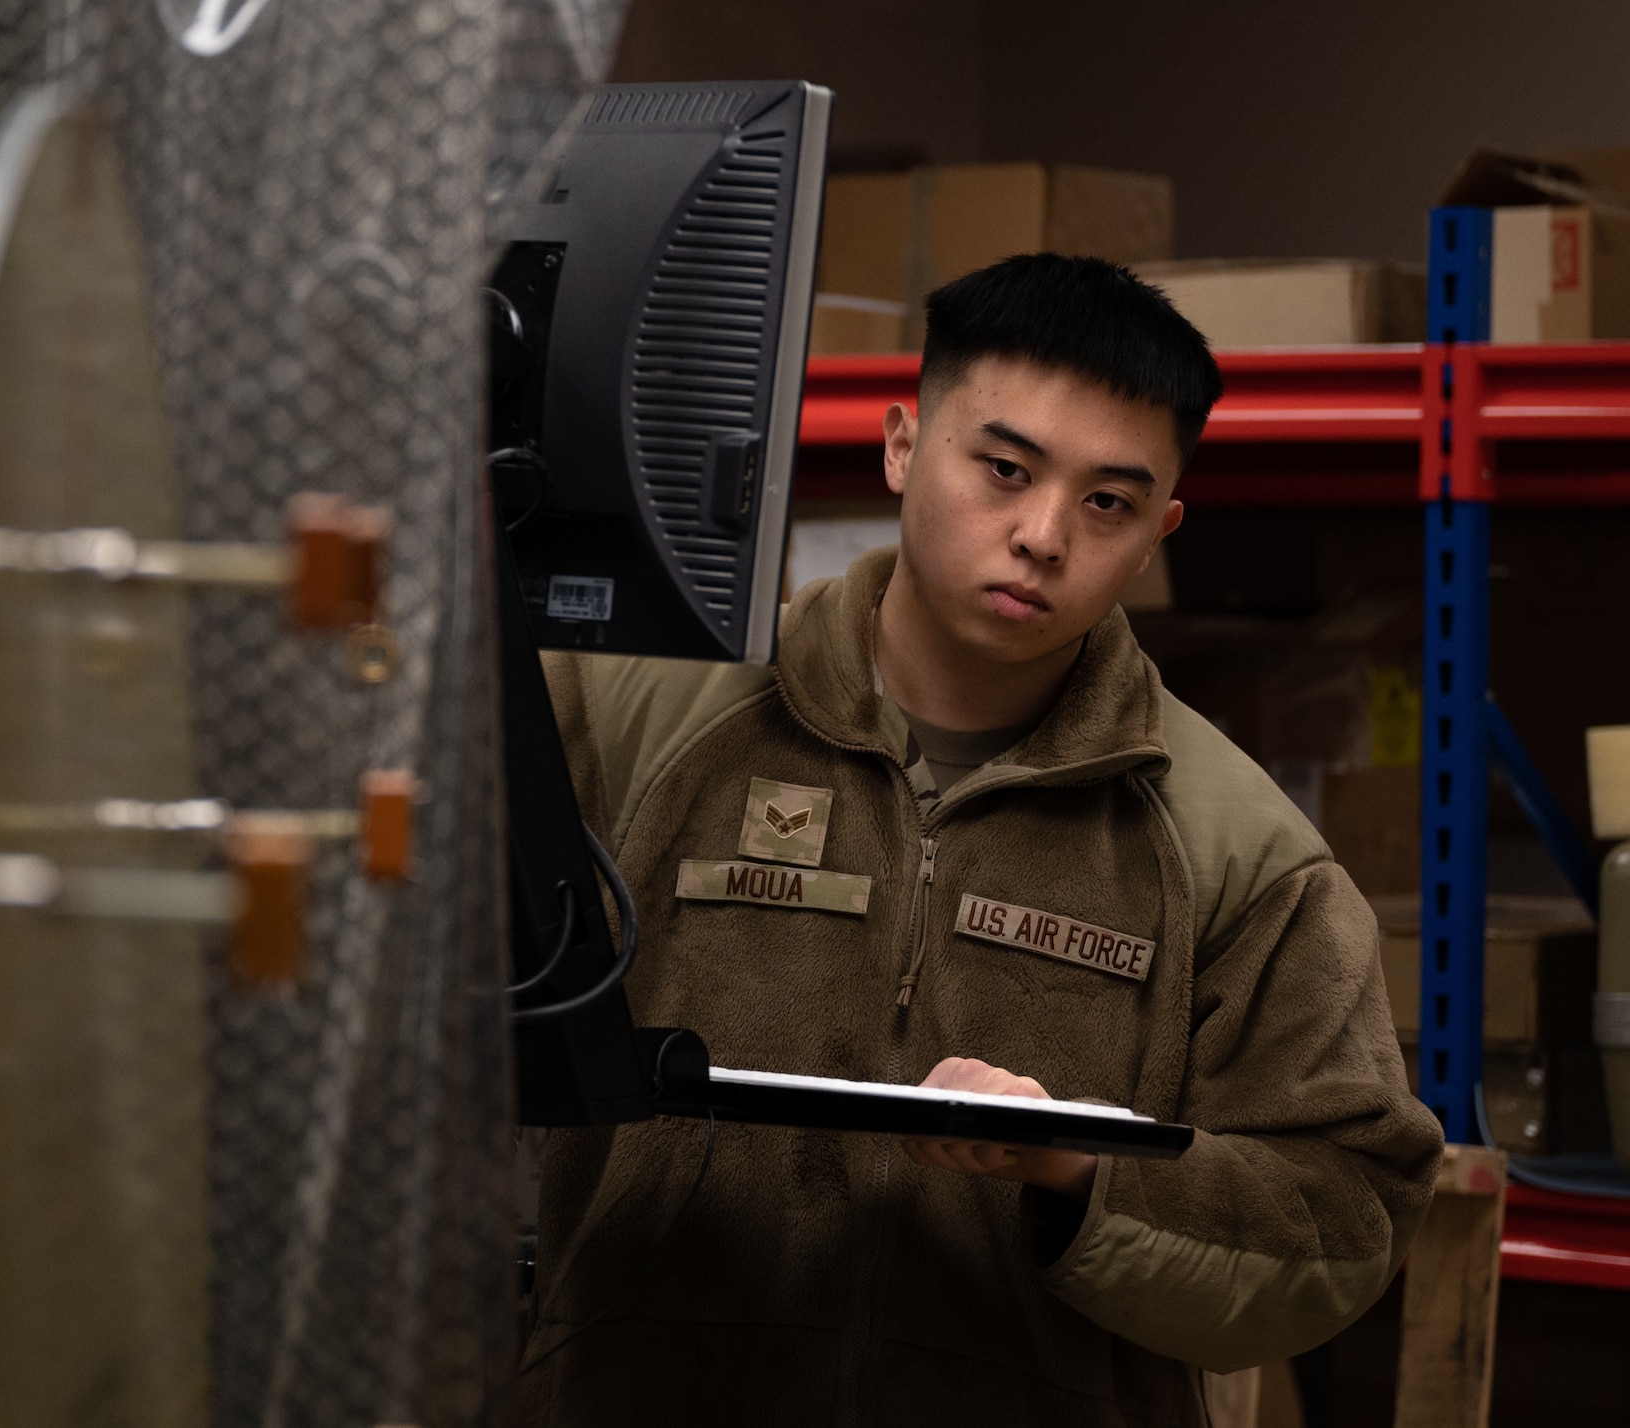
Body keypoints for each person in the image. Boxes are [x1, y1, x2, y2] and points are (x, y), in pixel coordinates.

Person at [517, 254, 1444, 1427]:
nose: (1043, 535)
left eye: (1106, 502)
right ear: (902, 446)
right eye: (1002, 470)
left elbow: (1344, 1212)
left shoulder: (1240, 851)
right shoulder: (629, 713)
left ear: (1157, 529)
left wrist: (1076, 1171)